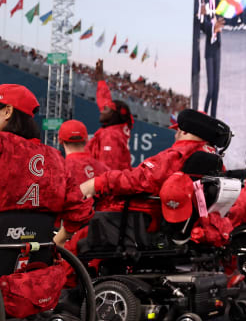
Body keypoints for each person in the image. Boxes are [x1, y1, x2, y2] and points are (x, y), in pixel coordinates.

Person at [78, 110, 227, 231]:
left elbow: (138, 181)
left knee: (75, 242)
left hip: (140, 217)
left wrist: (98, 182)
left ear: (185, 132)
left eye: (177, 131)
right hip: (181, 223)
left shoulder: (175, 155)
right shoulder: (214, 158)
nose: (175, 135)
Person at [0, 84, 90, 246]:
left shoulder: (3, 144)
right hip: (39, 264)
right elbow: (80, 211)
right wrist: (57, 242)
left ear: (7, 111)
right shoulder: (54, 157)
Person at [58, 119, 109, 226]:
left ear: (60, 141)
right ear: (86, 139)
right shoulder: (104, 168)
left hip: (69, 231)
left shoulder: (60, 169)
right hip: (101, 229)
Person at [87, 59, 133, 170]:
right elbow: (104, 100)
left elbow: (108, 172)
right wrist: (100, 79)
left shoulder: (111, 136)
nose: (102, 110)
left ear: (114, 115)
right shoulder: (119, 127)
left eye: (105, 109)